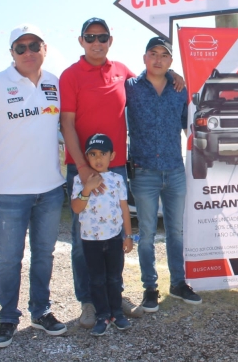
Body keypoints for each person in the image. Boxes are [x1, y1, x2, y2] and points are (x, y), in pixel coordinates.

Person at [60, 18, 184, 326]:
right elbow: (66, 124)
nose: (96, 42)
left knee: (114, 233)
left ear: (110, 40)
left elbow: (151, 76)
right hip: (82, 165)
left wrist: (172, 73)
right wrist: (85, 168)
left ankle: (114, 298)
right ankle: (89, 301)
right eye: (90, 37)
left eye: (102, 37)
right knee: (83, 237)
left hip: (115, 164)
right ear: (81, 41)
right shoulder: (70, 75)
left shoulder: (121, 72)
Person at [0, 24, 67, 348]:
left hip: (51, 188)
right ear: (11, 53)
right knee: (10, 260)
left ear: (45, 48)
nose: (27, 52)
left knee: (44, 255)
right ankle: (8, 318)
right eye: (20, 47)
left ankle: (41, 311)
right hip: (10, 191)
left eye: (33, 45)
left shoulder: (55, 82)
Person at [126, 37, 201, 311]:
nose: (158, 59)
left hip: (174, 171)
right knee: (146, 234)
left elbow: (187, 127)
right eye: (153, 54)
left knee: (176, 232)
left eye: (164, 56)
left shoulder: (179, 90)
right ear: (145, 57)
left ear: (171, 61)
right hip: (144, 172)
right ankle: (150, 288)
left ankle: (179, 283)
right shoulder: (131, 88)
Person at [71, 133, 134, 336]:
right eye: (93, 154)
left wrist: (128, 235)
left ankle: (117, 313)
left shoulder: (116, 180)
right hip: (91, 240)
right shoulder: (80, 180)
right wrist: (87, 189)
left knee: (114, 277)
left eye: (103, 154)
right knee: (97, 279)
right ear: (87, 157)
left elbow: (124, 208)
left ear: (112, 155)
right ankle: (102, 315)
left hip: (114, 238)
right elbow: (76, 208)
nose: (98, 159)